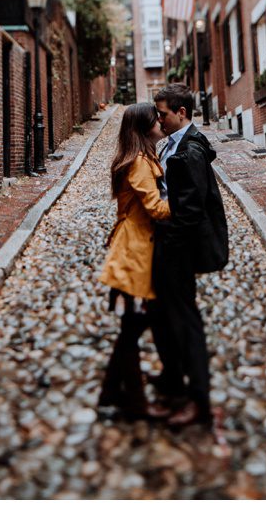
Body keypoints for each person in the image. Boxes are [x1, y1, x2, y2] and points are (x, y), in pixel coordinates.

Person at [149, 83, 228, 428]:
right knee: (167, 318)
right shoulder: (173, 145)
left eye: (163, 113)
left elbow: (190, 211)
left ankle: (199, 401)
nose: (159, 119)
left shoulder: (190, 151)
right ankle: (172, 382)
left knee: (186, 322)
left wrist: (167, 243)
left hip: (177, 251)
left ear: (181, 113)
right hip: (168, 248)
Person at [96, 102, 170, 421]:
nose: (160, 122)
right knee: (132, 327)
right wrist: (188, 204)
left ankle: (110, 393)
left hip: (136, 247)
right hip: (134, 250)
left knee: (134, 325)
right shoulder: (139, 162)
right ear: (144, 128)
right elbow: (155, 208)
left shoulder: (142, 157)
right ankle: (136, 403)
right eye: (155, 119)